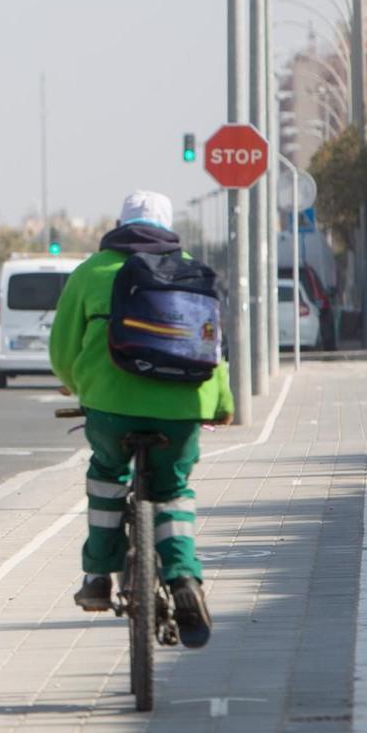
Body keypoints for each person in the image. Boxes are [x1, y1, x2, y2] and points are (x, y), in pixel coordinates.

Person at [48, 190, 234, 647]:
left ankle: (97, 575)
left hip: (111, 408)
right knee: (172, 490)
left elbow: (61, 350)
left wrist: (77, 385)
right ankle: (184, 578)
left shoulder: (91, 272)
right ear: (169, 228)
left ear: (119, 223)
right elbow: (215, 349)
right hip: (183, 408)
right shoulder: (192, 271)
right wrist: (222, 404)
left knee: (107, 476)